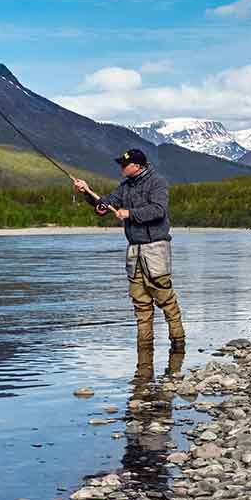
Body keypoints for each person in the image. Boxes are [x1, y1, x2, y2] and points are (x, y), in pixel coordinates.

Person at [73, 149, 186, 350]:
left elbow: (158, 211)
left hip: (155, 249)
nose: (121, 168)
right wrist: (87, 193)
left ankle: (178, 344)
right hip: (134, 252)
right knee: (140, 305)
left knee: (166, 300)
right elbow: (105, 206)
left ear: (138, 165)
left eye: (125, 165)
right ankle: (144, 349)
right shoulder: (125, 186)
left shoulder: (157, 182)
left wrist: (129, 213)